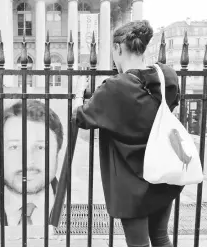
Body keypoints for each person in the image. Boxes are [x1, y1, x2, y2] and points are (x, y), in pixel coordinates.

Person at [73, 20, 183, 247]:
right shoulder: (167, 77)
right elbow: (173, 103)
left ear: (118, 48)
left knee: (138, 244)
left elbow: (81, 118)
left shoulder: (114, 87)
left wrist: (77, 95)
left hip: (131, 183)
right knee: (161, 237)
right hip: (164, 173)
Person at [0, 100, 64, 225]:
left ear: (58, 151)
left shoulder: (74, 208)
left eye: (40, 147)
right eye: (14, 147)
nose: (28, 162)